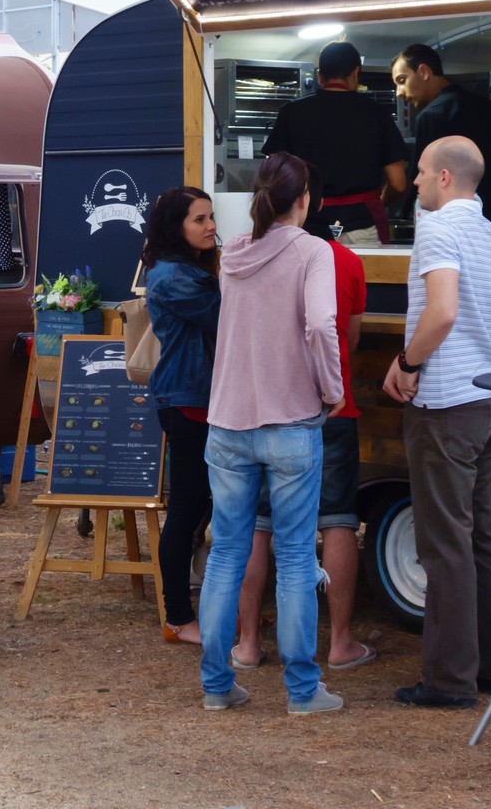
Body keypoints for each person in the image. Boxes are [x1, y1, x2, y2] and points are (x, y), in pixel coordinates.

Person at [196, 152, 343, 716]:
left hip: (228, 420)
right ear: (304, 199)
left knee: (227, 553)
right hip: (291, 419)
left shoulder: (233, 252)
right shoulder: (313, 252)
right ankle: (303, 692)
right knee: (297, 558)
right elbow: (321, 324)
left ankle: (216, 684)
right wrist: (331, 387)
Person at [382, 136, 491, 710]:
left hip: (447, 402)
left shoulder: (437, 229)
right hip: (489, 396)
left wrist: (408, 361)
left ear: (443, 179)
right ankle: (488, 667)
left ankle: (449, 681)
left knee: (445, 545)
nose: (410, 181)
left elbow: (442, 310)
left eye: (420, 172)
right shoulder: (487, 231)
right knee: (485, 538)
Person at [232, 231, 377, 675]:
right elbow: (345, 336)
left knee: (258, 526)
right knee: (336, 521)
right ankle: (339, 643)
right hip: (331, 407)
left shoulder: (243, 252)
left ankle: (249, 642)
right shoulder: (344, 259)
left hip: (263, 407)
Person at [143, 187, 220, 646]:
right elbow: (228, 314)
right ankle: (176, 616)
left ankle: (222, 605)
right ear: (177, 227)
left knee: (210, 506)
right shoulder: (174, 277)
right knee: (188, 508)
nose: (211, 226)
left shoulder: (188, 268)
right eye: (199, 220)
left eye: (211, 217)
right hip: (188, 398)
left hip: (202, 397)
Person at [262, 40, 409, 244]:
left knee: (310, 277)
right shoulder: (377, 114)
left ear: (320, 76)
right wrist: (378, 202)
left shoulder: (292, 112)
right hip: (363, 225)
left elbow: (273, 176)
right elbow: (398, 183)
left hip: (306, 226)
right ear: (356, 73)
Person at [391, 44, 491, 245]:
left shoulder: (432, 116)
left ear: (424, 72)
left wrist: (401, 212)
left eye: (402, 81)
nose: (399, 92)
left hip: (458, 235)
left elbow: (420, 181)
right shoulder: (490, 110)